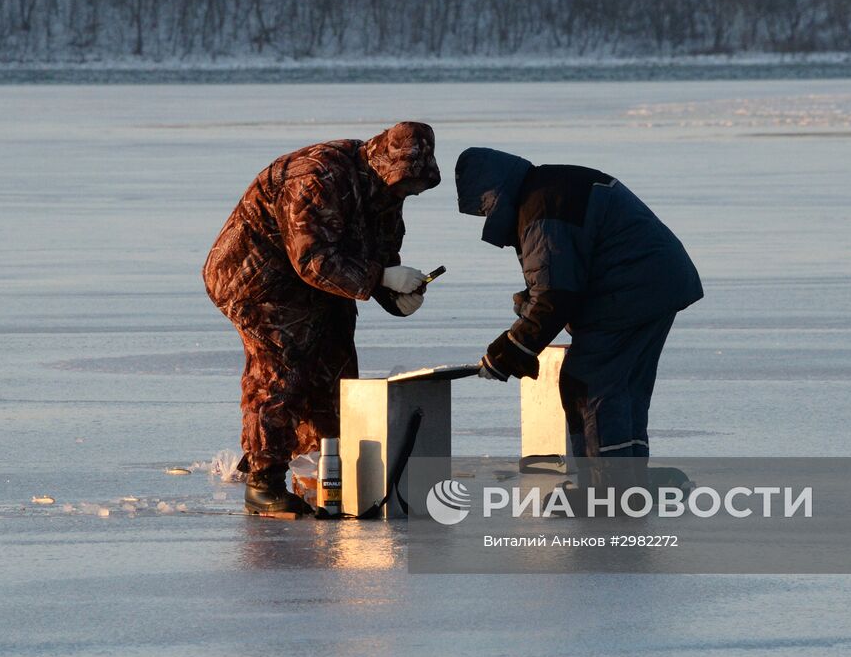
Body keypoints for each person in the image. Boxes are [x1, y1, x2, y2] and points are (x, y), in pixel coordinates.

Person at [204, 122, 440, 514]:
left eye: (413, 188)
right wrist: (379, 277)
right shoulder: (317, 176)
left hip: (316, 285)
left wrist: (393, 294)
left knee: (336, 366)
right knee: (281, 366)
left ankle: (317, 466)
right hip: (255, 278)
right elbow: (312, 258)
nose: (407, 193)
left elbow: (377, 252)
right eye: (404, 184)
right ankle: (263, 479)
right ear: (386, 165)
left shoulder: (386, 190)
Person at [455, 147, 702, 470]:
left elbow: (554, 294)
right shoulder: (548, 187)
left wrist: (511, 350)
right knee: (624, 389)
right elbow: (565, 272)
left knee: (588, 384)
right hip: (657, 283)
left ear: (492, 196)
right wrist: (531, 307)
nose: (486, 218)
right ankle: (627, 482)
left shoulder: (541, 207)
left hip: (630, 292)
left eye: (483, 210)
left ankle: (607, 493)